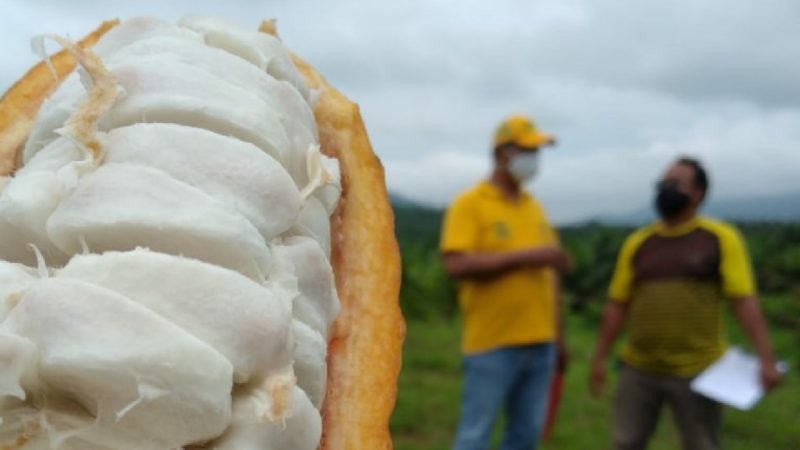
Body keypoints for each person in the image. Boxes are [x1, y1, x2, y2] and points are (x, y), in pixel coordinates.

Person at [589, 157, 782, 450]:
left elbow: (743, 301)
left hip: (699, 371)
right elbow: (617, 304)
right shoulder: (639, 242)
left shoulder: (719, 238)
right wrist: (600, 358)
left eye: (675, 183)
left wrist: (766, 359)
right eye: (662, 184)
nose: (665, 189)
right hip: (639, 370)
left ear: (698, 193)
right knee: (626, 442)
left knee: (701, 444)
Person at [440, 115, 572, 450]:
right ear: (502, 153)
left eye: (537, 151)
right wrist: (529, 257)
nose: (535, 159)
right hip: (492, 343)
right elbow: (456, 263)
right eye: (528, 150)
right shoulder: (470, 204)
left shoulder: (534, 207)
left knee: (525, 436)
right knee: (475, 435)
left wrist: (560, 338)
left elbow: (550, 275)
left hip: (541, 342)